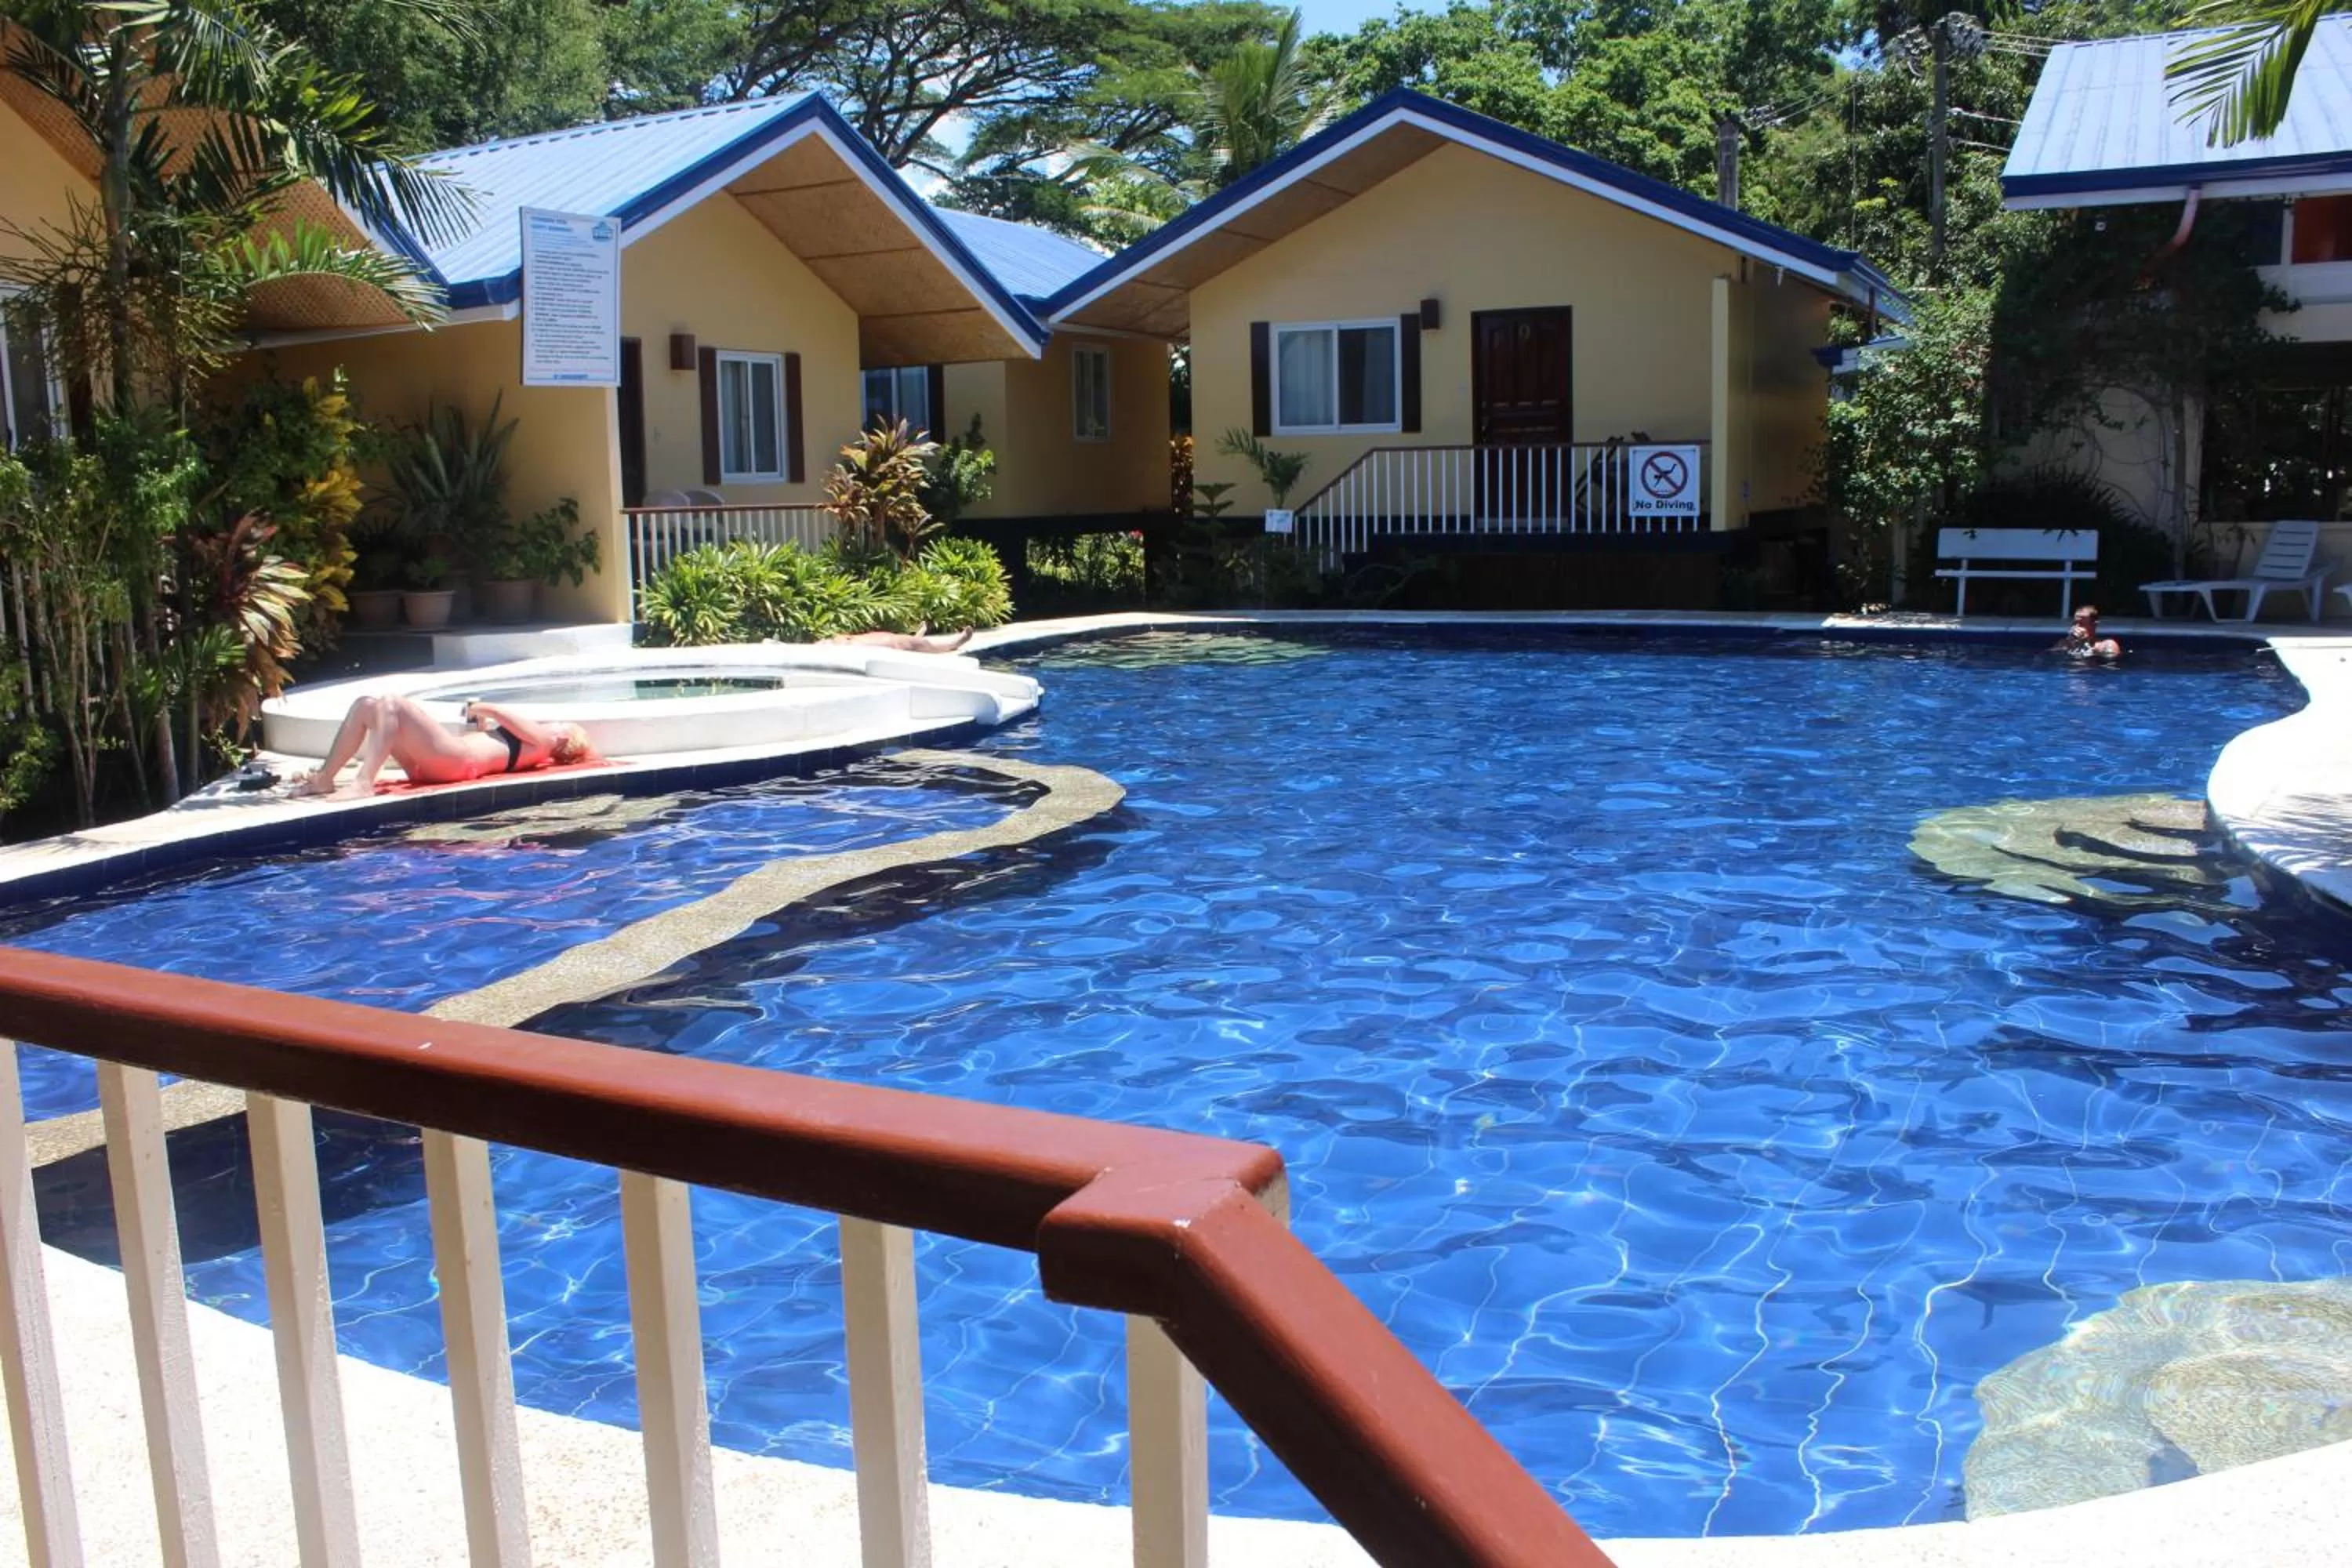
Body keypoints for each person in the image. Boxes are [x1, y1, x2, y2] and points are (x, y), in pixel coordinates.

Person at [292, 695, 597, 799]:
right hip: (443, 763)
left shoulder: (544, 743)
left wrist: (479, 707)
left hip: (456, 763)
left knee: (392, 703)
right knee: (366, 706)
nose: (553, 723)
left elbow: (500, 712)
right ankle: (324, 779)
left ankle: (363, 782)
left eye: (561, 724)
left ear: (562, 740)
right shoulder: (533, 745)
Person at [2054, 604, 2122, 660]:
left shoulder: (2107, 645)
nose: (2077, 627)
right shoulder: (2064, 643)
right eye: (2075, 623)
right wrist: (2070, 644)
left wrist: (2086, 644)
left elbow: (2111, 663)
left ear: (2094, 625)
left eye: (2081, 624)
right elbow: (2053, 657)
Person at [822, 628, 973, 653]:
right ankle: (958, 641)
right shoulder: (840, 647)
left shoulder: (838, 642)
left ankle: (917, 635)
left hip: (885, 640)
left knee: (913, 642)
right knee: (922, 645)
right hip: (893, 644)